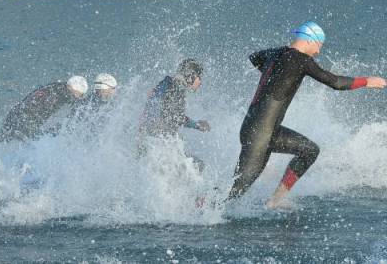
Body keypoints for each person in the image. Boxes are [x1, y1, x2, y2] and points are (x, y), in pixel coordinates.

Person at [227, 21, 386, 208]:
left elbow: (254, 57)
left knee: (309, 150)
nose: (318, 51)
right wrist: (367, 81)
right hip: (259, 135)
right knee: (234, 193)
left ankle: (275, 201)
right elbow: (335, 82)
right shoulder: (301, 60)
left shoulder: (276, 53)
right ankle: (200, 206)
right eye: (319, 46)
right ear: (310, 40)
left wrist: (273, 76)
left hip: (262, 130)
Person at [138, 59, 210, 170]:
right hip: (157, 142)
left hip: (153, 141)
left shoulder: (173, 85)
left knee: (195, 165)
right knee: (197, 166)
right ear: (192, 76)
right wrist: (197, 125)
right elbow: (155, 100)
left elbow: (174, 116)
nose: (200, 83)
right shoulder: (173, 85)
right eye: (199, 78)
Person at [0, 76, 88, 142]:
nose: (77, 97)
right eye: (78, 94)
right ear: (70, 88)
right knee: (41, 143)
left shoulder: (55, 87)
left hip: (14, 114)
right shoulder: (62, 93)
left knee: (2, 143)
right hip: (23, 120)